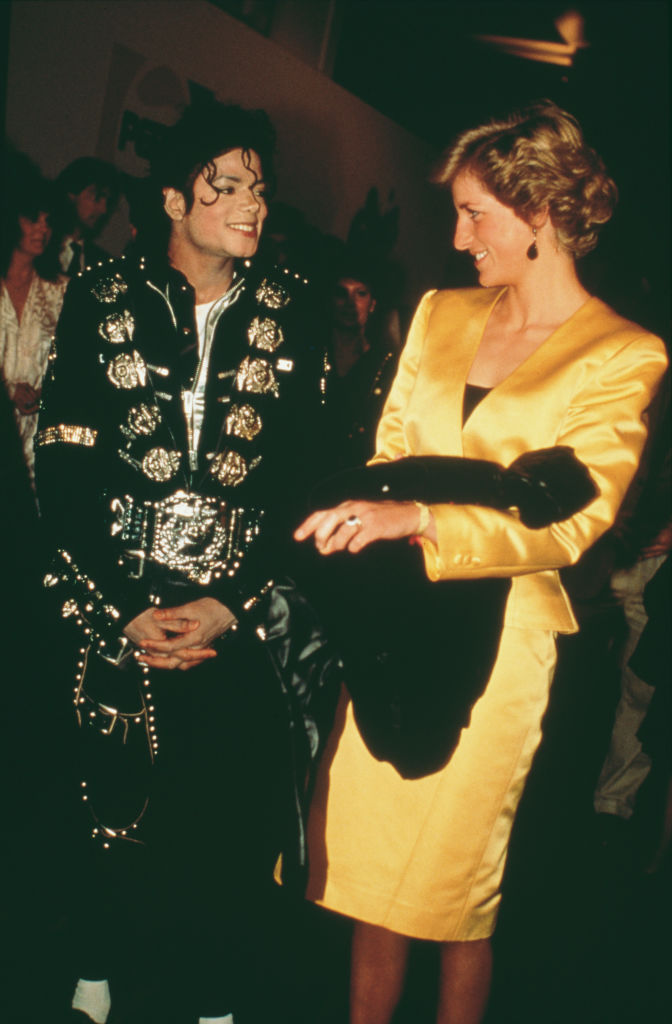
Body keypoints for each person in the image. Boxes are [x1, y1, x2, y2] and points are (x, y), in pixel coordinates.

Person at [294, 101, 668, 1024]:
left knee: (457, 893)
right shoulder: (439, 312)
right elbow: (387, 450)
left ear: (540, 215)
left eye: (476, 216)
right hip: (395, 628)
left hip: (503, 647)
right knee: (373, 879)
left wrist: (425, 517)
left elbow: (572, 521)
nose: (459, 237)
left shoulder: (621, 352)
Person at [36, 101, 332, 1024]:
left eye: (260, 187)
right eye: (228, 187)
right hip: (114, 600)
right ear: (173, 197)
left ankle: (210, 996)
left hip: (233, 612)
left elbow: (303, 478)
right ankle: (94, 977)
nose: (253, 205)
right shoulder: (103, 292)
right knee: (106, 808)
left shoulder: (292, 309)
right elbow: (65, 462)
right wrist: (123, 605)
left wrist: (230, 604)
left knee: (225, 819)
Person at [0, 169, 67, 485]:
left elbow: (71, 365)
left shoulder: (61, 292)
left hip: (33, 444)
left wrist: (48, 392)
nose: (43, 228)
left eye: (48, 221)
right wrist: (9, 391)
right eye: (32, 219)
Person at [327, 262, 398, 467]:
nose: (350, 303)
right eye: (342, 294)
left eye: (360, 294)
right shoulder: (313, 355)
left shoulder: (385, 365)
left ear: (372, 304)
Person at [55, 157, 120, 275]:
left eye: (108, 201)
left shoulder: (103, 265)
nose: (103, 210)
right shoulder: (39, 248)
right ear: (71, 193)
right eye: (97, 197)